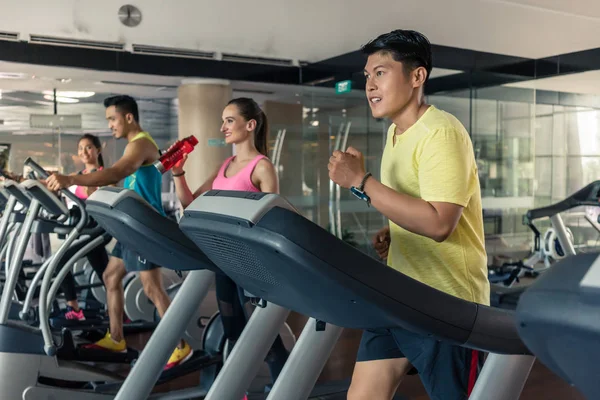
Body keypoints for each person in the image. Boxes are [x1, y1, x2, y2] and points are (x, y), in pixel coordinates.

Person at [327, 30, 490, 400]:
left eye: (380, 73)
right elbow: (413, 204)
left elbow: (438, 224)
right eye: (367, 75)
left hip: (449, 305)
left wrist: (361, 180)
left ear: (417, 77)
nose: (369, 84)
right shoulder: (395, 135)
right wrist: (393, 230)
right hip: (400, 295)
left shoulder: (441, 133)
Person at [46, 95, 192, 370]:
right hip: (131, 226)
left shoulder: (141, 144)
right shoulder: (133, 147)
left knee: (152, 289)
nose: (110, 125)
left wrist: (72, 178)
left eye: (112, 119)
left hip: (145, 228)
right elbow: (125, 181)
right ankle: (116, 338)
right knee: (111, 276)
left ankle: (180, 346)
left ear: (128, 117)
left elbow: (117, 172)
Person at [171, 97, 289, 387]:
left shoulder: (262, 167)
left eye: (229, 120)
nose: (223, 126)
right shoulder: (225, 165)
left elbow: (271, 219)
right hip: (224, 260)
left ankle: (286, 388)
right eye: (222, 120)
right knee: (234, 333)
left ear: (250, 125)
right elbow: (191, 203)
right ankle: (240, 391)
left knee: (263, 337)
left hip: (250, 262)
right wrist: (177, 171)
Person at [59, 133, 110, 321]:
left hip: (96, 229)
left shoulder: (105, 174)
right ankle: (118, 311)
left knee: (61, 261)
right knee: (105, 272)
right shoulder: (77, 177)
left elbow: (106, 195)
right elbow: (59, 181)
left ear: (98, 150)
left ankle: (74, 309)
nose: (84, 152)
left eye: (88, 147)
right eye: (80, 148)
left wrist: (94, 190)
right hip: (82, 229)